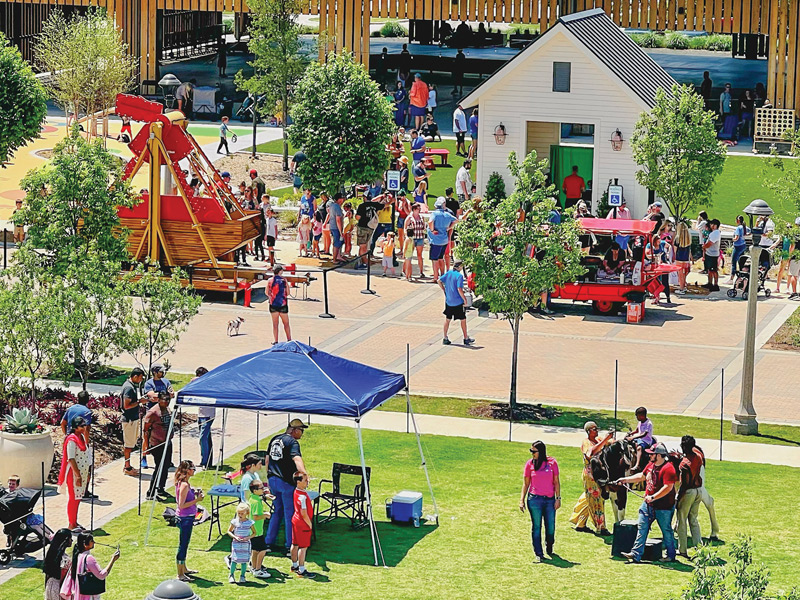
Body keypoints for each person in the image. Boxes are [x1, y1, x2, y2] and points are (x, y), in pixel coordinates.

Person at [616, 443, 678, 564]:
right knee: (642, 528)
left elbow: (668, 487)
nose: (649, 455)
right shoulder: (651, 465)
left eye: (652, 454)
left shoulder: (668, 468)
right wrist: (625, 479)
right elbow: (642, 476)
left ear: (659, 455)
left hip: (664, 507)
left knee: (666, 531)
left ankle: (671, 555)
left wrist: (653, 497)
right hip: (648, 505)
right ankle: (635, 554)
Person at [265, 419, 309, 553]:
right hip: (286, 482)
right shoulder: (292, 442)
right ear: (295, 430)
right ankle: (290, 545)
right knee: (290, 514)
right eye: (301, 430)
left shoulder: (275, 438)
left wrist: (268, 475)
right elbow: (297, 459)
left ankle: (268, 542)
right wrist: (304, 475)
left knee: (276, 511)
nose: (302, 433)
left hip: (273, 480)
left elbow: (267, 459)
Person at [519, 440, 561, 562]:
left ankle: (549, 545)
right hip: (534, 500)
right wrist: (521, 500)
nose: (532, 453)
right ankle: (538, 552)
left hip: (549, 500)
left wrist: (558, 498)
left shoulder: (552, 463)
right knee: (536, 526)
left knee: (551, 526)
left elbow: (556, 482)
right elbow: (526, 484)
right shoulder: (529, 464)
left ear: (541, 451)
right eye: (531, 451)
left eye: (534, 451)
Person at [569, 421, 613, 536]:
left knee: (588, 498)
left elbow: (610, 443)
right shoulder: (586, 442)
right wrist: (605, 440)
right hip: (591, 475)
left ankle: (580, 523)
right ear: (588, 431)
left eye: (596, 428)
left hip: (599, 474)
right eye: (594, 429)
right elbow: (591, 453)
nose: (597, 430)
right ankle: (601, 527)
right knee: (597, 500)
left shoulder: (598, 440)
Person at [60, 531, 120, 600]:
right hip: (88, 597)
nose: (94, 542)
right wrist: (113, 560)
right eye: (92, 541)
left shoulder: (77, 556)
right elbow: (101, 575)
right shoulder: (88, 558)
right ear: (85, 544)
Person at [57, 417, 91, 530]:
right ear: (75, 427)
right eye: (82, 426)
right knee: (73, 498)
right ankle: (71, 524)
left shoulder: (81, 437)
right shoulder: (72, 440)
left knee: (78, 498)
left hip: (82, 473)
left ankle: (75, 522)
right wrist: (78, 476)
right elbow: (71, 459)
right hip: (74, 474)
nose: (84, 427)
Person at [175, 460, 203, 581]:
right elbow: (181, 505)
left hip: (187, 518)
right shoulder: (184, 485)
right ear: (187, 470)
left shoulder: (184, 483)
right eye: (193, 469)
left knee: (185, 544)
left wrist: (193, 493)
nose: (194, 471)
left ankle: (184, 569)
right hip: (185, 518)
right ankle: (180, 574)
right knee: (183, 545)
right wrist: (197, 500)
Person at [676, 435, 704, 558]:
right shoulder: (698, 457)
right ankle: (699, 548)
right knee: (693, 520)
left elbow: (684, 484)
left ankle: (682, 549)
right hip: (699, 490)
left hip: (689, 492)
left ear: (684, 446)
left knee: (682, 520)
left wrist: (678, 498)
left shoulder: (684, 464)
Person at [143, 392, 174, 501]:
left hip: (167, 443)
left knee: (166, 466)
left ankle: (160, 488)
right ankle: (150, 492)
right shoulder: (153, 413)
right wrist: (145, 446)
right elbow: (145, 430)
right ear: (159, 400)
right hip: (157, 444)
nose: (166, 403)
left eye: (168, 401)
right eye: (164, 401)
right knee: (159, 467)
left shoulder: (168, 409)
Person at [438, 259, 474, 346]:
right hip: (457, 301)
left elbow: (439, 280)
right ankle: (465, 338)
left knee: (447, 319)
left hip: (449, 301)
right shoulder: (459, 276)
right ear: (460, 267)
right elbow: (459, 289)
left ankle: (445, 337)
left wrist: (444, 289)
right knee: (463, 319)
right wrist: (464, 299)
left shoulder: (449, 273)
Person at [120, 367, 146, 477]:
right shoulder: (128, 388)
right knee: (128, 445)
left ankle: (128, 465)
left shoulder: (131, 386)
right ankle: (127, 467)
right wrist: (140, 402)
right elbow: (126, 406)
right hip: (129, 420)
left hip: (133, 419)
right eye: (140, 378)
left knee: (131, 444)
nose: (141, 380)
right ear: (135, 376)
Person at [290, 471, 317, 578]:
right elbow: (304, 513)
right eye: (305, 480)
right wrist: (309, 524)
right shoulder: (303, 497)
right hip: (302, 523)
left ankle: (294, 565)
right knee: (303, 547)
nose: (307, 482)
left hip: (295, 521)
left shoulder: (296, 492)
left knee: (295, 543)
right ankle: (301, 569)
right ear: (298, 482)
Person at [428, 197, 458, 283]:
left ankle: (435, 277)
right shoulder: (447, 214)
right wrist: (449, 227)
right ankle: (442, 274)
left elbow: (430, 222)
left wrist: (432, 230)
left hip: (435, 240)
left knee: (435, 259)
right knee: (441, 257)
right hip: (444, 240)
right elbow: (456, 220)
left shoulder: (435, 214)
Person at [190, 367, 215, 469]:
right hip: (201, 414)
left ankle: (205, 462)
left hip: (208, 415)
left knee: (202, 438)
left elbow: (193, 381)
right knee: (206, 439)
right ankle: (205, 461)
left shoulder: (209, 383)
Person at [247, 480, 271, 578]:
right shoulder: (256, 502)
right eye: (261, 488)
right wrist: (265, 515)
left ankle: (253, 567)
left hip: (252, 530)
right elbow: (256, 516)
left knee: (255, 550)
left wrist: (265, 496)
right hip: (257, 531)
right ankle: (258, 569)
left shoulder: (253, 498)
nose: (263, 489)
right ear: (255, 490)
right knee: (263, 550)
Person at [227, 503, 255, 584]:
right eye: (239, 513)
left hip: (245, 544)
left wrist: (247, 538)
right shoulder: (235, 522)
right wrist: (235, 537)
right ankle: (231, 575)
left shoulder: (250, 523)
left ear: (247, 513)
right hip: (236, 544)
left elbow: (254, 533)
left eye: (242, 513)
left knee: (244, 561)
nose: (240, 515)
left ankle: (242, 576)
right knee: (234, 560)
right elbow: (229, 531)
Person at [355, 195, 383, 269]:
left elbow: (357, 217)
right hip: (370, 227)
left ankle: (363, 262)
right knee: (365, 245)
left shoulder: (362, 206)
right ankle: (364, 261)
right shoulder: (375, 205)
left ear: (365, 198)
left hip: (362, 226)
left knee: (362, 246)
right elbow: (385, 204)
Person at [43, 528, 73, 600]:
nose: (71, 541)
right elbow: (64, 576)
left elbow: (47, 574)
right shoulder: (64, 560)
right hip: (60, 587)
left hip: (49, 586)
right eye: (70, 538)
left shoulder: (51, 553)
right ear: (65, 540)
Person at [267, 265, 291, 344]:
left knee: (275, 324)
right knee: (286, 323)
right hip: (282, 304)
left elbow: (266, 292)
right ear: (280, 271)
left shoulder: (270, 280)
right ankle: (289, 339)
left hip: (273, 304)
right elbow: (288, 293)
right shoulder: (284, 280)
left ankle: (276, 340)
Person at [624, 406, 654, 472]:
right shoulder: (640, 422)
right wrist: (630, 434)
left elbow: (644, 434)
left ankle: (637, 464)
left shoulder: (648, 424)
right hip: (639, 439)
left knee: (639, 448)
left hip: (646, 441)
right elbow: (637, 430)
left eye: (637, 416)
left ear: (642, 416)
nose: (636, 417)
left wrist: (632, 437)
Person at [407, 203, 427, 278]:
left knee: (419, 255)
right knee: (409, 255)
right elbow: (406, 228)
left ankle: (421, 272)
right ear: (414, 209)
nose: (420, 210)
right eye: (418, 209)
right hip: (412, 238)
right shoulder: (410, 217)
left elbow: (424, 226)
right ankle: (407, 271)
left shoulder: (421, 217)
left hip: (420, 237)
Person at [326, 192, 345, 263]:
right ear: (339, 199)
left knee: (336, 242)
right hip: (336, 228)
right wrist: (341, 232)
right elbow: (338, 220)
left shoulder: (332, 206)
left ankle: (337, 256)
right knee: (336, 243)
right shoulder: (337, 207)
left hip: (332, 226)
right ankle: (334, 259)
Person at [703, 219, 722, 291]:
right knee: (709, 270)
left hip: (713, 254)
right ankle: (710, 283)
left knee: (713, 270)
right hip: (709, 253)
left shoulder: (716, 233)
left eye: (714, 224)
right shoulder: (713, 233)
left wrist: (704, 246)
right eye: (711, 224)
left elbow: (710, 243)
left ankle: (716, 285)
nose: (712, 226)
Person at [675, 222, 692, 295]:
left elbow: (675, 249)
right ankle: (684, 286)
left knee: (680, 274)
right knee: (684, 273)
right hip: (686, 257)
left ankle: (681, 288)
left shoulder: (677, 238)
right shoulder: (688, 237)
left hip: (679, 257)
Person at [729, 215, 748, 283]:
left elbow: (736, 238)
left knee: (734, 262)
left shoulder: (738, 228)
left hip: (737, 247)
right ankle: (741, 277)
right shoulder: (744, 227)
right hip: (743, 245)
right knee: (741, 262)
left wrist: (733, 239)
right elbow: (749, 233)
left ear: (738, 221)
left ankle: (731, 278)